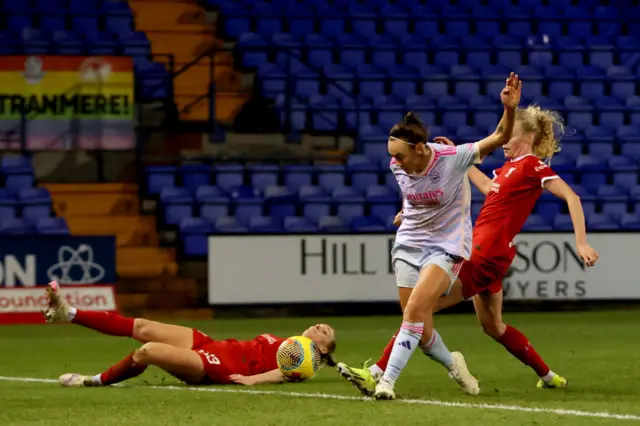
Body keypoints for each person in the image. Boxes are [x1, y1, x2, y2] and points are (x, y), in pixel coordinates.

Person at [337, 104, 599, 397]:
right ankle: (548, 376)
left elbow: (572, 197)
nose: (504, 144)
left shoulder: (531, 166)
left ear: (527, 136)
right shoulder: (508, 170)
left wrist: (581, 242)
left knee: (418, 309)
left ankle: (377, 373)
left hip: (482, 255)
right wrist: (461, 163)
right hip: (490, 255)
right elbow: (489, 189)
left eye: (508, 137)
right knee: (493, 326)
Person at [338, 74, 523, 400]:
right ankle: (454, 364)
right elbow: (413, 194)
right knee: (421, 329)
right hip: (408, 244)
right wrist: (404, 212)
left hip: (447, 245)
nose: (395, 163)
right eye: (392, 156)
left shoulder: (454, 158)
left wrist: (509, 109)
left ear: (421, 148)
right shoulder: (399, 167)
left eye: (400, 157)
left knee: (413, 313)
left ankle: (385, 382)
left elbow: (498, 136)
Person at [42, 281, 337, 387]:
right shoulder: (289, 343)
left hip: (219, 366)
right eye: (320, 324)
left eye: (324, 331)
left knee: (147, 352)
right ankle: (67, 313)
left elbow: (283, 375)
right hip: (214, 345)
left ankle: (92, 381)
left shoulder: (304, 360)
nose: (318, 326)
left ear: (323, 349)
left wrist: (252, 380)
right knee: (142, 326)